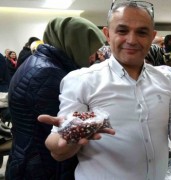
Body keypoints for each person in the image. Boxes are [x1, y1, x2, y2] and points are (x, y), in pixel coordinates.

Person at [38, 1, 171, 179]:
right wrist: (64, 143)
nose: (131, 40)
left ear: (152, 36)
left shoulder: (169, 81)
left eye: (142, 32)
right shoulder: (82, 81)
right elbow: (59, 149)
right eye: (122, 31)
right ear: (107, 34)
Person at [5, 16, 106, 179]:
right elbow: (62, 133)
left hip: (30, 159)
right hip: (41, 167)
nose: (93, 57)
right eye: (89, 49)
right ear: (74, 44)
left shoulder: (41, 63)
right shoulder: (47, 73)